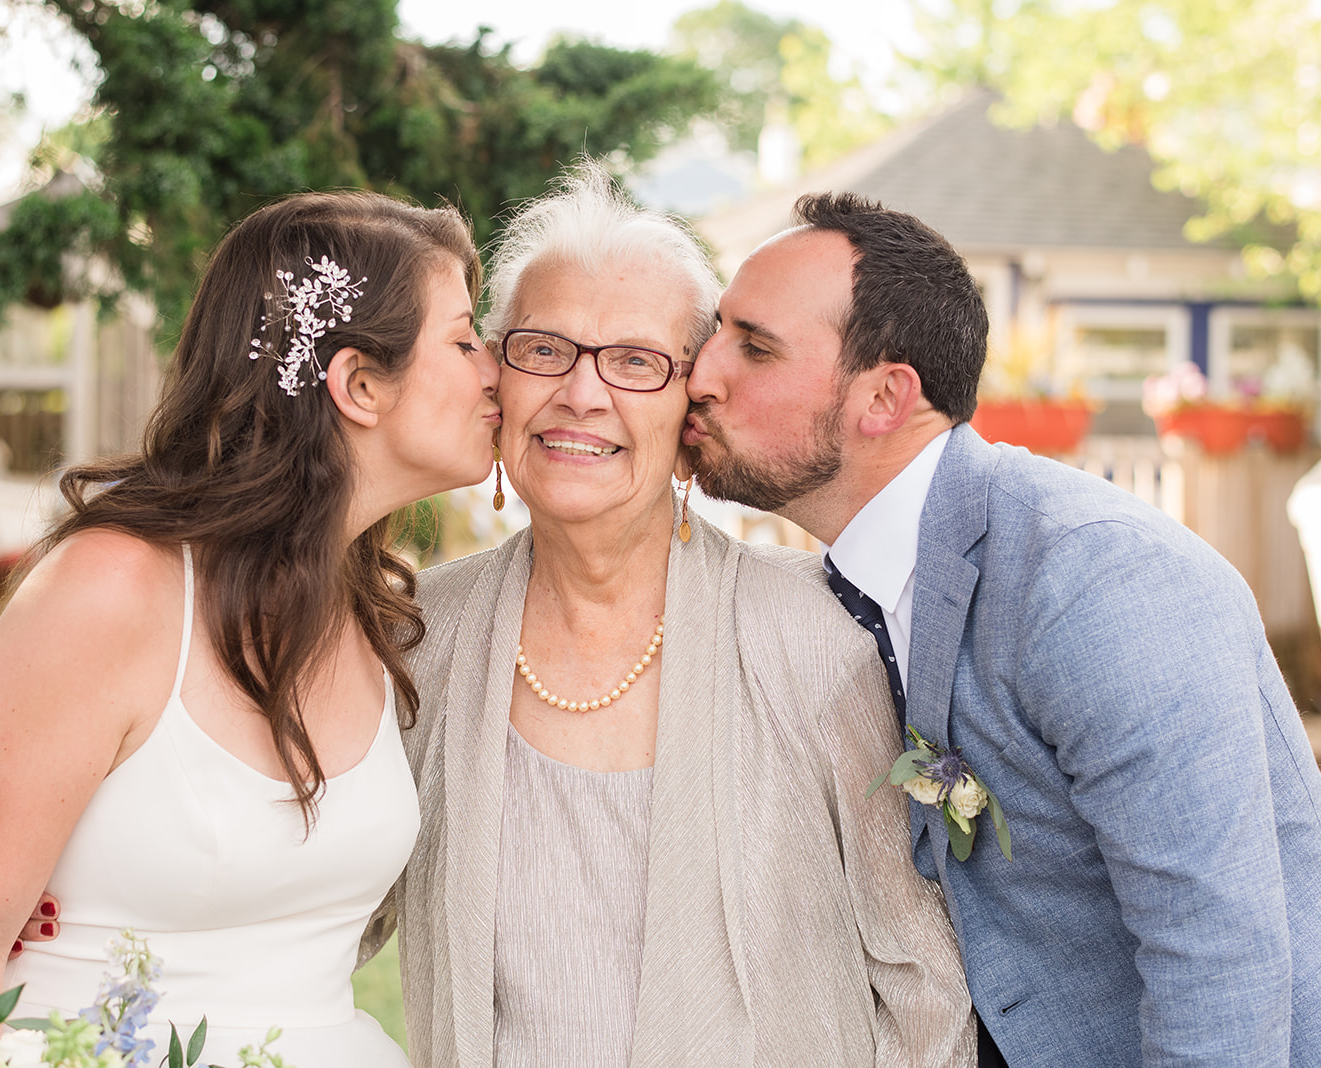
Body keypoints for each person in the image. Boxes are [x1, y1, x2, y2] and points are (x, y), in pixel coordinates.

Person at [682, 190, 1321, 1067]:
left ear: (884, 397)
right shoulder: (838, 590)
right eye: (716, 332)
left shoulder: (1099, 582)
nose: (701, 373)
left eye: (753, 347)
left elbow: (1218, 968)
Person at [371, 166, 975, 1066]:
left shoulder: (813, 639)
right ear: (498, 382)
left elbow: (928, 988)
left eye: (635, 361)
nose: (581, 393)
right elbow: (309, 915)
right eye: (543, 349)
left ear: (692, 407)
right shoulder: (419, 636)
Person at [0, 190, 502, 1066]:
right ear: (360, 385)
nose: (498, 368)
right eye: (464, 340)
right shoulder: (110, 591)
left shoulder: (377, 613)